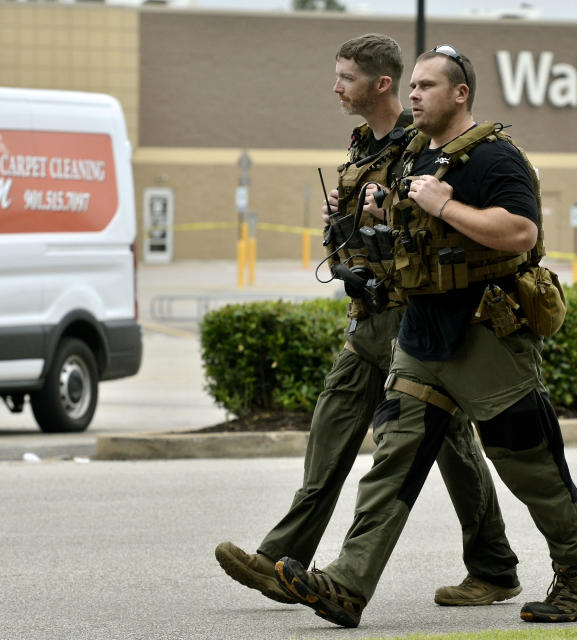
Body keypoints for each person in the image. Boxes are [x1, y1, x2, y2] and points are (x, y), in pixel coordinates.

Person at [274, 44, 577, 628]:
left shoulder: (493, 157)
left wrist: (448, 203)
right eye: (412, 87)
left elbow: (520, 230)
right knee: (392, 464)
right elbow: (414, 232)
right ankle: (346, 586)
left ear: (460, 95)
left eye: (427, 87)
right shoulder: (413, 160)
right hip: (423, 337)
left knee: (527, 465)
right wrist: (377, 210)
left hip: (487, 338)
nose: (414, 95)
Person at [214, 33, 521, 610]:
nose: (335, 87)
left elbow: (442, 222)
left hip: (414, 321)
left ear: (381, 83)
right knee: (332, 430)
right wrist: (347, 220)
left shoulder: (421, 145)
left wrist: (391, 210)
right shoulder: (364, 144)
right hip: (369, 316)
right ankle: (283, 557)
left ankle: (495, 566)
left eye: (346, 77)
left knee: (452, 446)